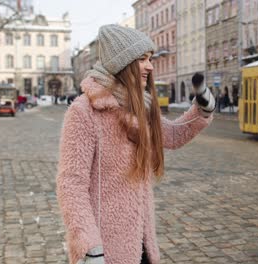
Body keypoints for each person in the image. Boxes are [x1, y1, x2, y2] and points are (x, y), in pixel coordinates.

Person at [56, 24, 215, 264]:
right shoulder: (83, 111)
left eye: (149, 58)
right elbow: (71, 184)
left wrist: (200, 109)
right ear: (123, 63)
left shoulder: (141, 105)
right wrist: (88, 244)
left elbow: (171, 135)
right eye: (142, 59)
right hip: (104, 249)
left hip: (142, 243)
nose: (150, 66)